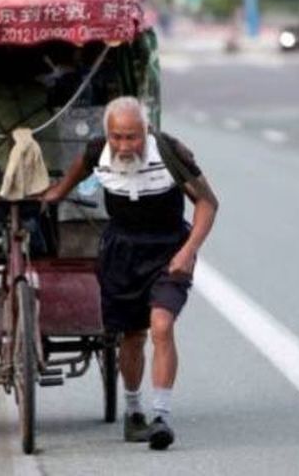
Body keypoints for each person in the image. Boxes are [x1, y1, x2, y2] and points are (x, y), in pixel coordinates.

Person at [43, 96, 218, 450]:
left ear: (146, 131)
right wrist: (50, 196)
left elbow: (207, 202)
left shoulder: (169, 153)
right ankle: (134, 412)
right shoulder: (96, 152)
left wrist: (188, 251)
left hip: (168, 249)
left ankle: (161, 416)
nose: (124, 146)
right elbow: (68, 182)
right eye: (117, 137)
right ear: (107, 134)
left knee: (162, 326)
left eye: (132, 137)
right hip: (121, 252)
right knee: (133, 336)